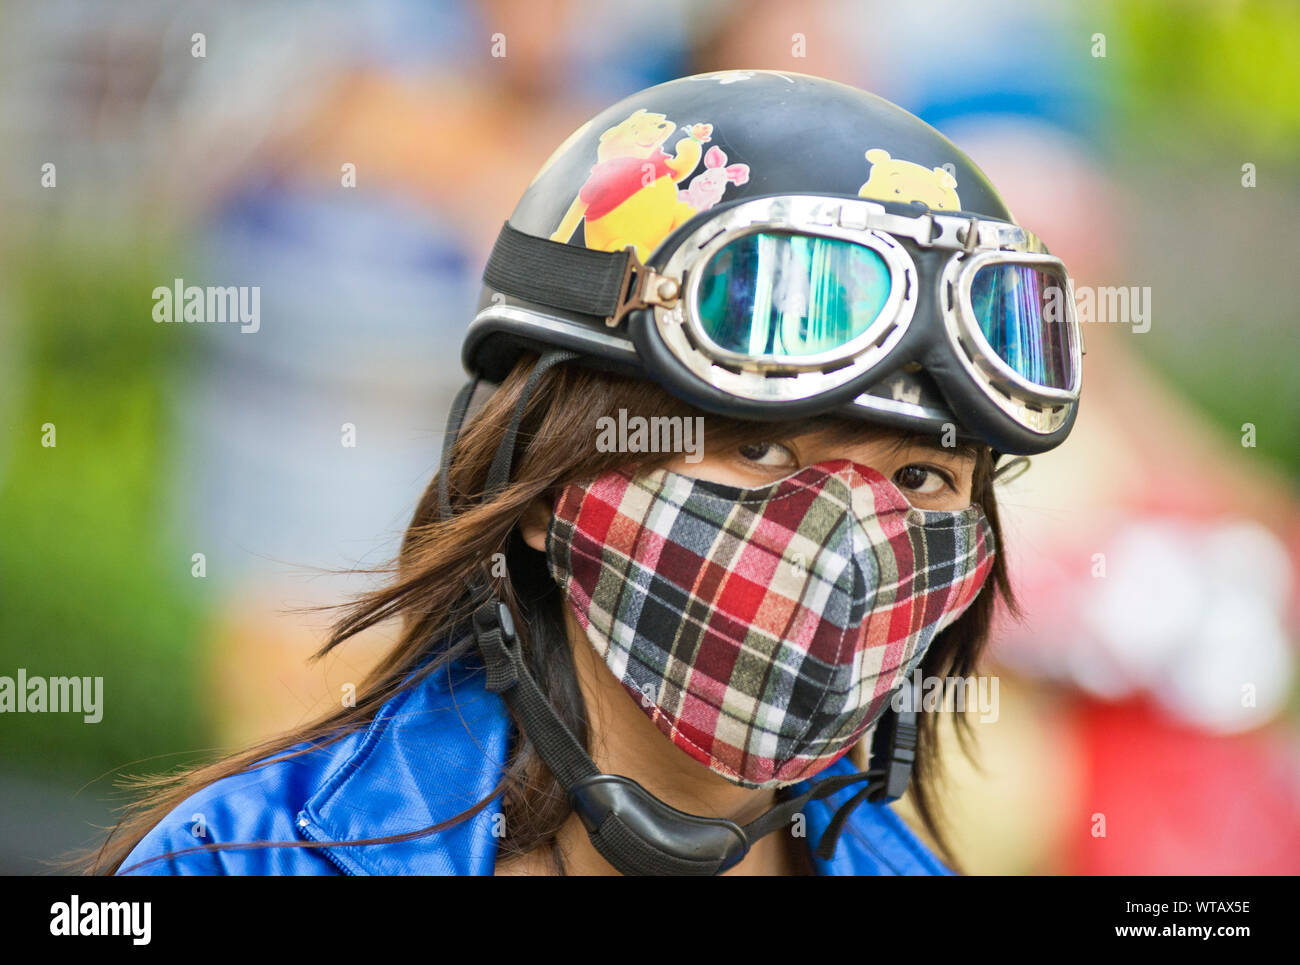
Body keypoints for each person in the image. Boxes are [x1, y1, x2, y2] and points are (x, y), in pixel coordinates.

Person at [94, 70, 1083, 876]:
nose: (844, 539)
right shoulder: (246, 860)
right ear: (544, 475)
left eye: (918, 479)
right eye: (759, 448)